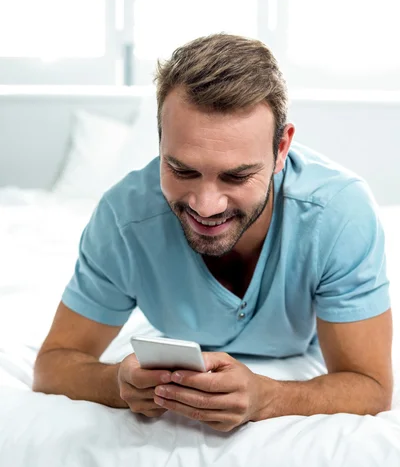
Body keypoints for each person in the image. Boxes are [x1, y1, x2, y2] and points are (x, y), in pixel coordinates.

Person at [33, 34, 393, 432]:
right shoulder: (123, 220)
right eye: (182, 170)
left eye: (237, 176)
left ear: (281, 149)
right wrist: (115, 383)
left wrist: (267, 396)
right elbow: (52, 364)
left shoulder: (341, 214)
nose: (206, 206)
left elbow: (371, 386)